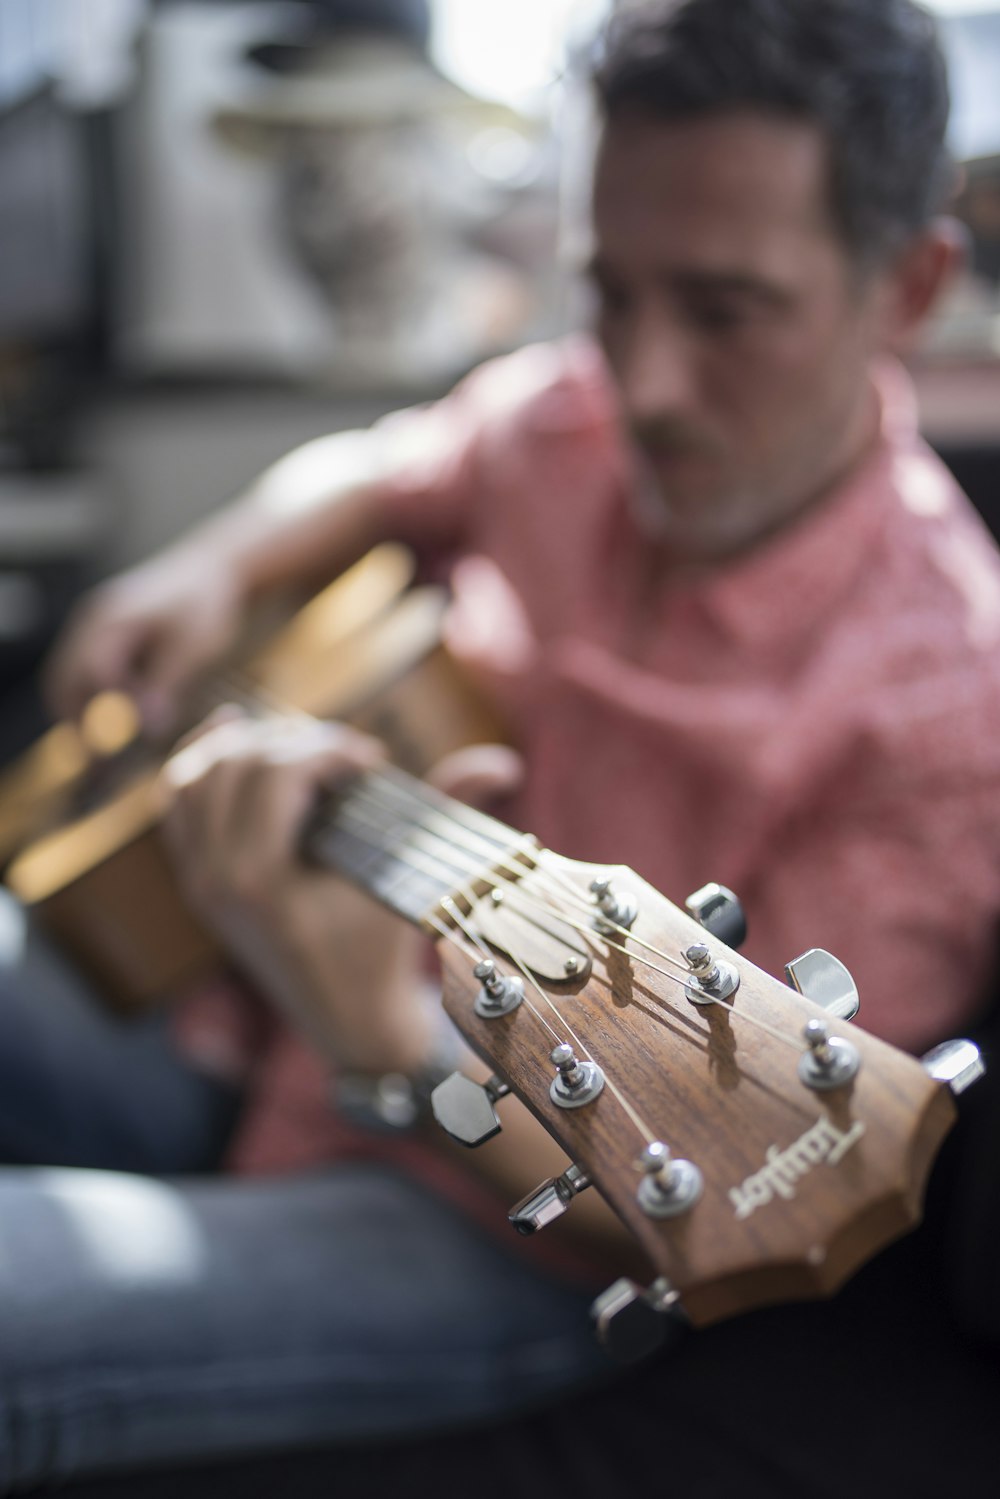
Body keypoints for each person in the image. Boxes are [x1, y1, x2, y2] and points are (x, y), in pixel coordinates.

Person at [3, 0, 1000, 1490]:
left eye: (725, 312)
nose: (644, 383)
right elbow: (392, 468)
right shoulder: (568, 415)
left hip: (488, 1229)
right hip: (237, 1007)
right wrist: (203, 567)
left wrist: (389, 1044)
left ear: (909, 286)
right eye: (610, 294)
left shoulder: (948, 717)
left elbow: (707, 1200)